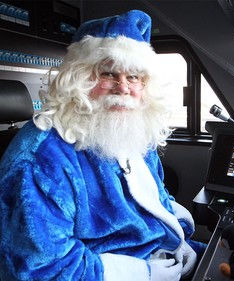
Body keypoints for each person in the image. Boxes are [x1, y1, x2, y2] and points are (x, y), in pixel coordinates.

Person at [0, 10, 206, 281]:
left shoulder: (132, 130)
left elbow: (155, 198)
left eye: (134, 77)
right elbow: (41, 268)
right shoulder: (41, 159)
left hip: (158, 252)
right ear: (80, 78)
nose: (123, 88)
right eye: (109, 73)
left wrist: (179, 236)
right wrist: (142, 274)